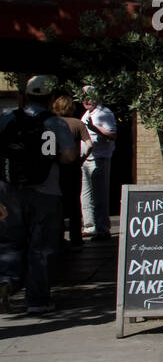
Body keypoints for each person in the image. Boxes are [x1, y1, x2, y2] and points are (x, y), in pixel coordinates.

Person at [0, 75, 77, 314]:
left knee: (9, 241)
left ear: (24, 96)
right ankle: (38, 300)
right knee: (41, 245)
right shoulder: (55, 123)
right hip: (46, 191)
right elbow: (69, 157)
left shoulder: (6, 119)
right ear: (51, 98)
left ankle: (6, 282)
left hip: (9, 190)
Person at [51, 95, 91, 248]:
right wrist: (82, 158)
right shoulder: (78, 124)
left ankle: (58, 237)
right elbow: (90, 145)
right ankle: (76, 238)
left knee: (57, 203)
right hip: (73, 167)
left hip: (55, 168)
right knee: (74, 202)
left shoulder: (51, 123)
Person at [79, 86, 117, 241]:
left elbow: (113, 135)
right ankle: (90, 226)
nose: (87, 100)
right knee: (85, 194)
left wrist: (95, 128)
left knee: (100, 195)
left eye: (90, 97)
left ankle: (102, 228)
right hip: (85, 159)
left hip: (99, 158)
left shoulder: (104, 113)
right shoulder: (87, 113)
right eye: (84, 97)